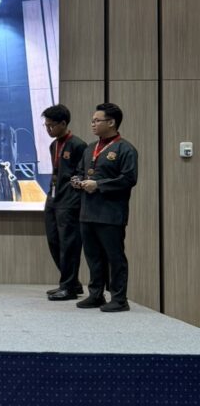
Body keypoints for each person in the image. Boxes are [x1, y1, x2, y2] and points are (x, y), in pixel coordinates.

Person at [72, 102, 138, 312]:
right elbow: (80, 171)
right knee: (93, 257)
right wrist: (77, 180)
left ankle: (119, 299)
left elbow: (129, 179)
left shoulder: (125, 149)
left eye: (97, 120)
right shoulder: (90, 148)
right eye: (92, 121)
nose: (92, 124)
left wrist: (98, 185)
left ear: (111, 122)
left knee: (114, 257)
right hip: (87, 212)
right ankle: (95, 295)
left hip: (110, 214)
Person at [42, 104, 87, 302]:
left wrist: (74, 193)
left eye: (51, 125)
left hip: (70, 201)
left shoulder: (78, 145)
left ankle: (68, 287)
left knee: (69, 244)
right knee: (54, 241)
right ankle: (72, 282)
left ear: (63, 123)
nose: (48, 129)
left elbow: (82, 173)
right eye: (46, 125)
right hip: (53, 198)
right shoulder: (54, 145)